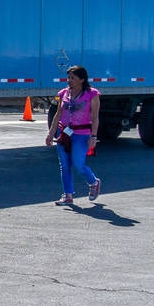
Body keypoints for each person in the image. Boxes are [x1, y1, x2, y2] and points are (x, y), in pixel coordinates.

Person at [45, 66, 103, 205]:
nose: (69, 80)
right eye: (68, 77)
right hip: (64, 133)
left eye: (73, 78)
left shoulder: (92, 94)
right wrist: (51, 133)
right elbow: (58, 114)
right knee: (64, 165)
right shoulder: (64, 93)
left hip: (81, 134)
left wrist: (93, 136)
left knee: (78, 164)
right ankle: (68, 195)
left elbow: (95, 117)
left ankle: (93, 182)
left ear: (82, 79)